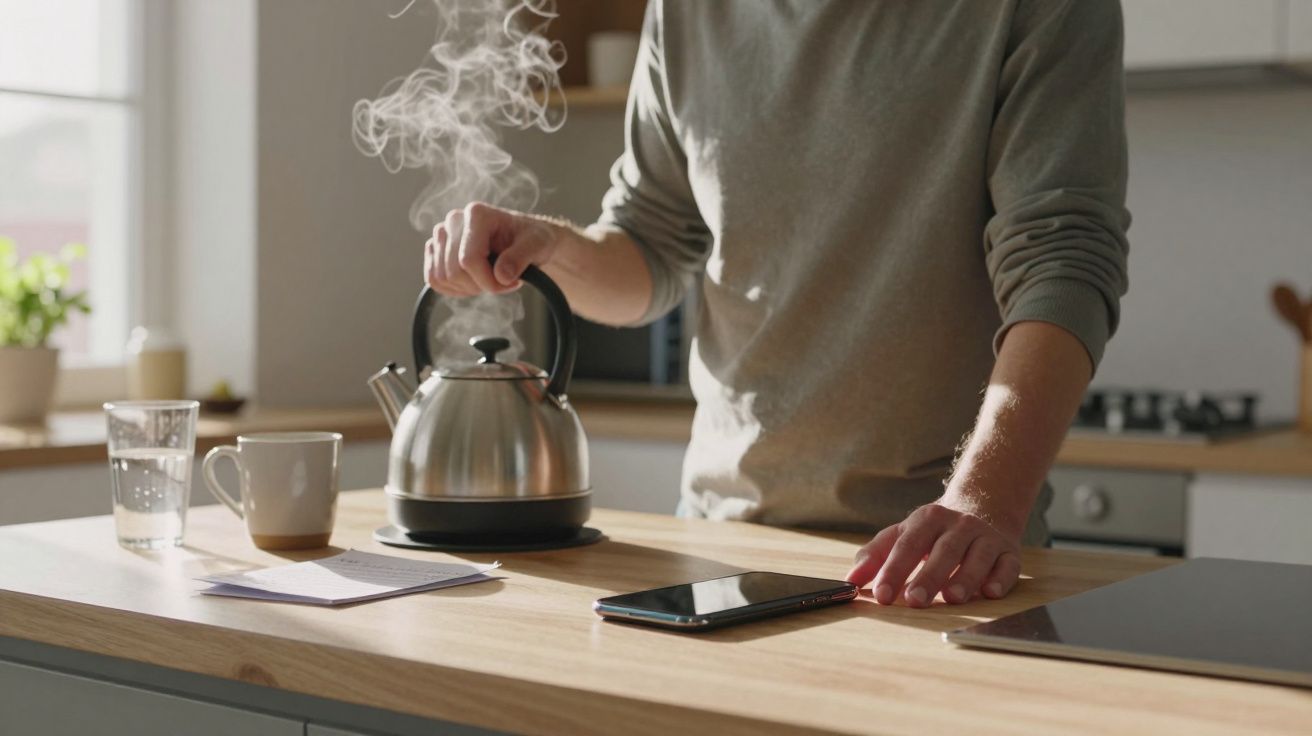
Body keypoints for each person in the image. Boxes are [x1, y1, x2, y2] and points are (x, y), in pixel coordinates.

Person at [423, 1, 1130, 608]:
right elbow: (651, 248)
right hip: (720, 547)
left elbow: (1061, 261)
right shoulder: (689, 11)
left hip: (933, 562)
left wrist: (982, 502)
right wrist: (547, 247)